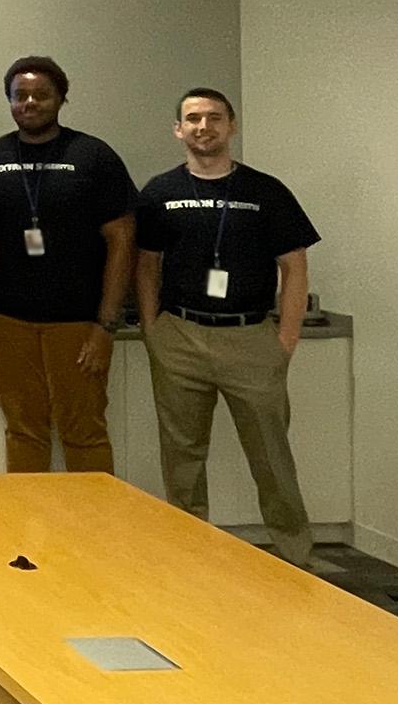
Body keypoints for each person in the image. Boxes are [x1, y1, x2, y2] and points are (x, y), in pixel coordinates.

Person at [136, 88, 319, 568]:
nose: (203, 127)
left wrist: (285, 341)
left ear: (231, 126)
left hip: (251, 338)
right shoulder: (159, 192)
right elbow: (146, 266)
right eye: (193, 118)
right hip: (179, 336)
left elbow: (294, 267)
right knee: (182, 458)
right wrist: (154, 330)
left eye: (214, 118)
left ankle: (296, 556)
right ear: (178, 129)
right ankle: (188, 555)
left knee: (271, 458)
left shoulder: (266, 192)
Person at [0, 56, 136, 474]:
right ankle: (31, 535)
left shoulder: (94, 156)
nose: (30, 102)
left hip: (77, 322)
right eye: (20, 95)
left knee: (84, 432)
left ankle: (92, 536)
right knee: (23, 430)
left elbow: (123, 240)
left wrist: (105, 325)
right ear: (9, 101)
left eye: (41, 94)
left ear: (61, 99)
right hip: (6, 319)